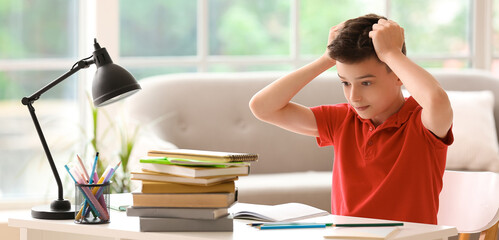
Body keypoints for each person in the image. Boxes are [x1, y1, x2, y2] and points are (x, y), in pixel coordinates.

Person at [248, 14, 453, 224]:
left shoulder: (421, 123)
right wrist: (326, 59)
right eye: (345, 83)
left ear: (399, 75)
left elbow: (437, 100)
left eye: (366, 83)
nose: (353, 96)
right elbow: (262, 107)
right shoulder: (342, 120)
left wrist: (392, 53)